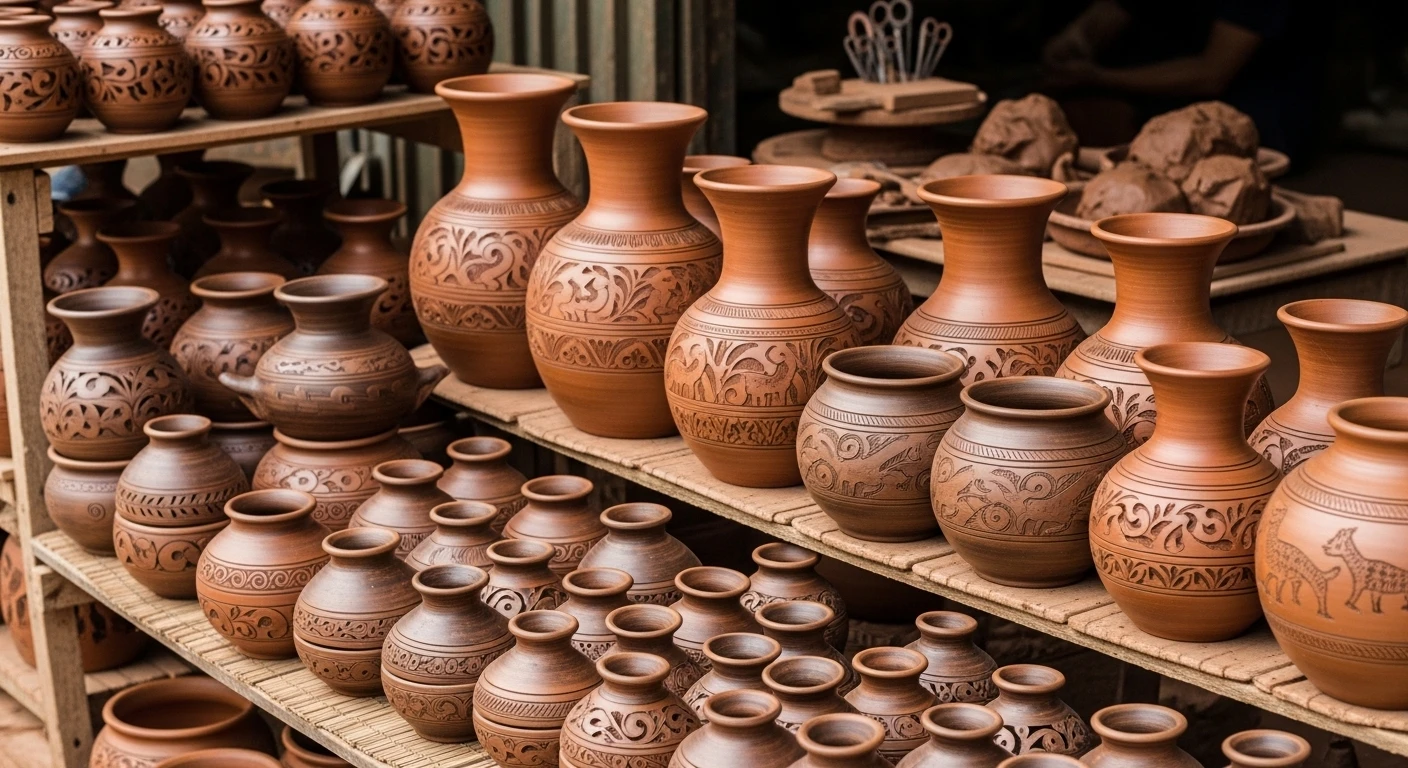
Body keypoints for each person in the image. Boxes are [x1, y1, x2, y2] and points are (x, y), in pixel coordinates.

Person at [1041, 0, 1319, 157]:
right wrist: (1079, 38)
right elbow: (1118, 8)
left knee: (1088, 122)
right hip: (1160, 92)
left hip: (1255, 112)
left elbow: (1212, 74)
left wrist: (1096, 77)